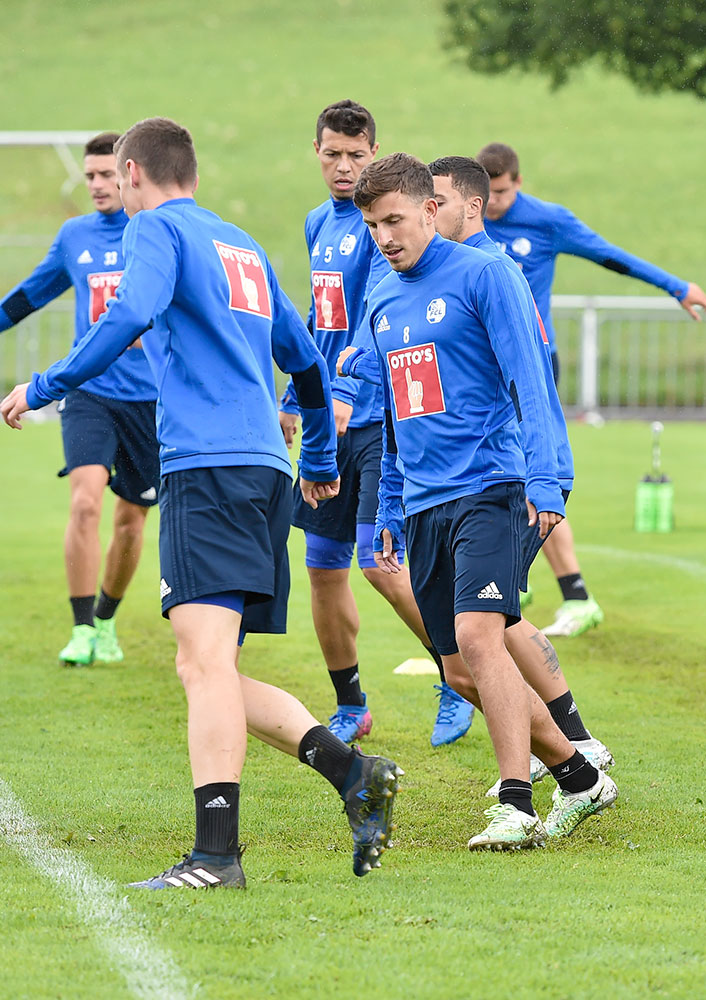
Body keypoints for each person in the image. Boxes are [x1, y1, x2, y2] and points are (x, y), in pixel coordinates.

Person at [0, 117, 403, 889]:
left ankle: (217, 856)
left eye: (119, 182)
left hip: (208, 467)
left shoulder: (156, 231)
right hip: (261, 470)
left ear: (135, 176)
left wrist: (45, 386)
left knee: (204, 663)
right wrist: (316, 456)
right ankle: (354, 774)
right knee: (208, 667)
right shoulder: (239, 242)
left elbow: (126, 314)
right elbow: (307, 362)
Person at [354, 153, 618, 850]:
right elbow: (392, 416)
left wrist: (545, 478)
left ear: (430, 211)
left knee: (478, 633)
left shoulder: (486, 273)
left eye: (396, 220)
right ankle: (581, 776)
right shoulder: (381, 295)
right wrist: (386, 505)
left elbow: (531, 380)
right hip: (422, 500)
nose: (385, 236)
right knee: (460, 665)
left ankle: (515, 801)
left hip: (493, 485)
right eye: (373, 225)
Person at [276, 100, 472, 748]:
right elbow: (319, 314)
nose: (343, 165)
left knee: (380, 564)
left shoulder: (380, 226)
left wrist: (343, 386)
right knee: (321, 565)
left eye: (356, 155)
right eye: (332, 153)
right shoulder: (316, 223)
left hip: (372, 411)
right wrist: (293, 395)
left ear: (374, 153)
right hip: (324, 415)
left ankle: (453, 671)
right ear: (316, 152)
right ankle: (350, 701)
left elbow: (374, 313)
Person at [0, 132, 157, 666]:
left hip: (149, 400)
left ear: (131, 175)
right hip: (89, 392)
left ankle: (105, 620)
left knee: (130, 524)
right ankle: (81, 629)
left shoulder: (154, 234)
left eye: (109, 175)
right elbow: (28, 295)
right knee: (84, 502)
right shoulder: (74, 235)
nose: (99, 185)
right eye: (91, 177)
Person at [477, 141, 706, 639]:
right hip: (477, 370)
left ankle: (574, 595)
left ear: (518, 182)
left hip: (534, 365)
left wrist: (676, 286)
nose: (491, 203)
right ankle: (511, 578)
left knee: (532, 477)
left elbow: (609, 255)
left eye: (499, 193)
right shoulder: (464, 220)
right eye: (484, 193)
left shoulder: (547, 220)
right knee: (489, 476)